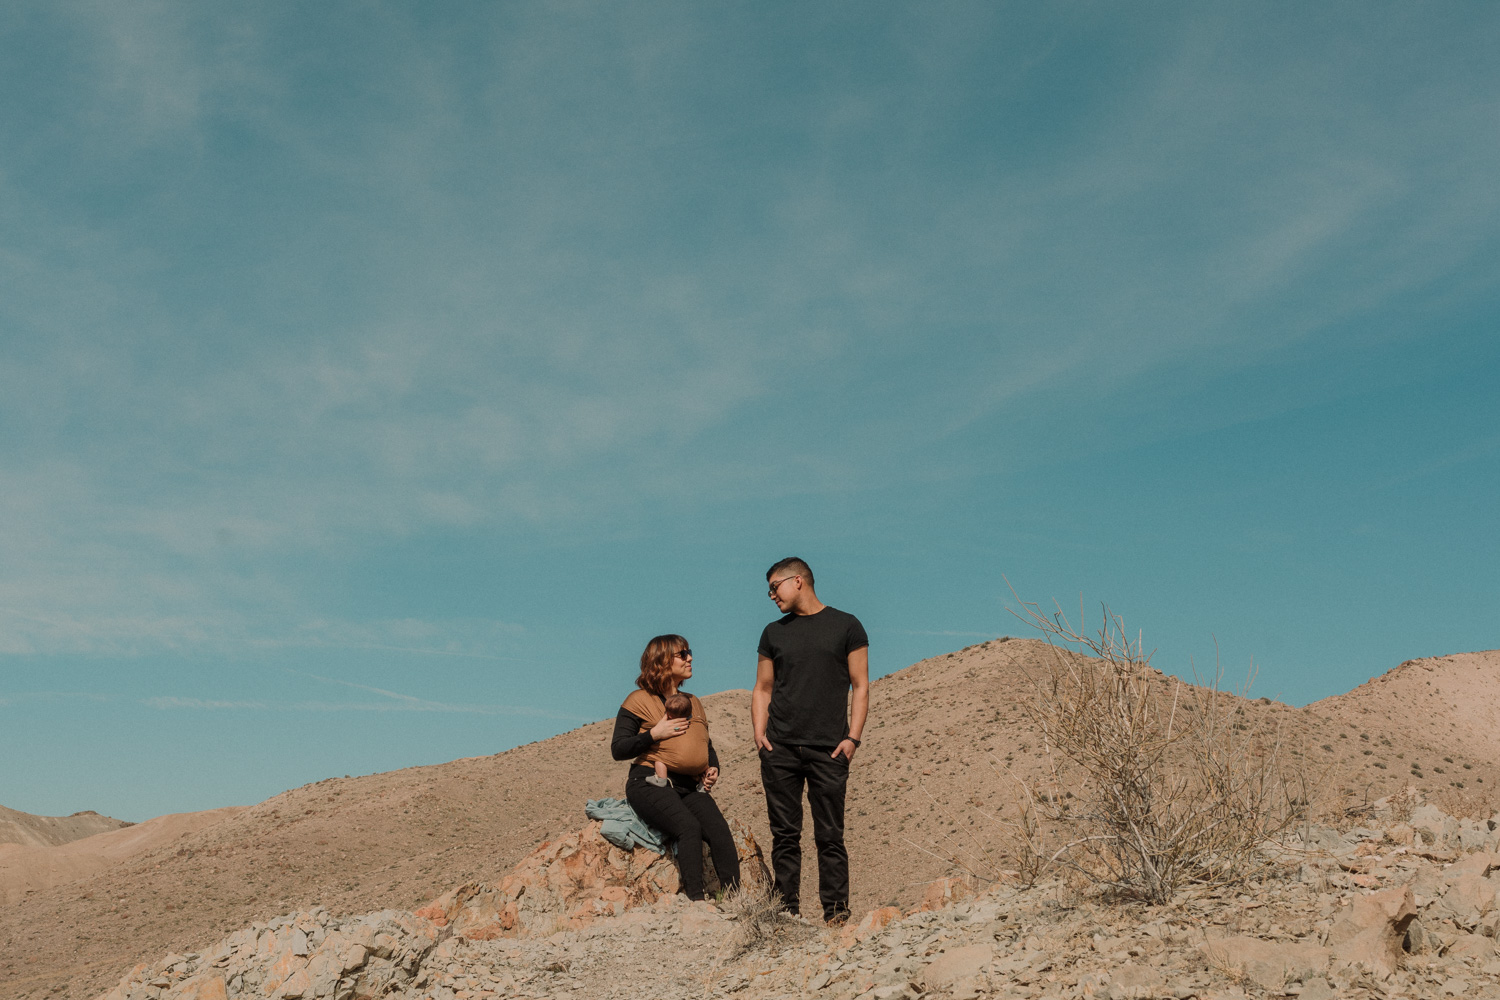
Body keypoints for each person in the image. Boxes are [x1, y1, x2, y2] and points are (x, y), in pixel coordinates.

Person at [752, 556, 869, 925]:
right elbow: (763, 688)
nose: (771, 595)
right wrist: (759, 734)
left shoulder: (847, 626)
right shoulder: (774, 632)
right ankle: (788, 914)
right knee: (785, 835)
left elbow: (861, 685)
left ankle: (836, 916)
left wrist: (853, 738)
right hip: (780, 748)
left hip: (829, 748)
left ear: (798, 580)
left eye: (775, 586)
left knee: (829, 836)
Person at [611, 635, 741, 901]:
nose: (690, 658)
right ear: (662, 661)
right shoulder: (639, 700)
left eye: (689, 652)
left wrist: (712, 767)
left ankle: (737, 901)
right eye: (683, 654)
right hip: (649, 781)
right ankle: (696, 901)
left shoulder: (693, 701)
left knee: (719, 830)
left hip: (689, 785)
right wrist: (654, 734)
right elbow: (619, 748)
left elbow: (706, 743)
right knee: (688, 827)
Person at [645, 692, 698, 788]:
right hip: (692, 753)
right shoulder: (689, 722)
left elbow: (674, 730)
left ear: (669, 715)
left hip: (674, 752)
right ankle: (701, 783)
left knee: (659, 759)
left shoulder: (673, 725)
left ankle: (661, 779)